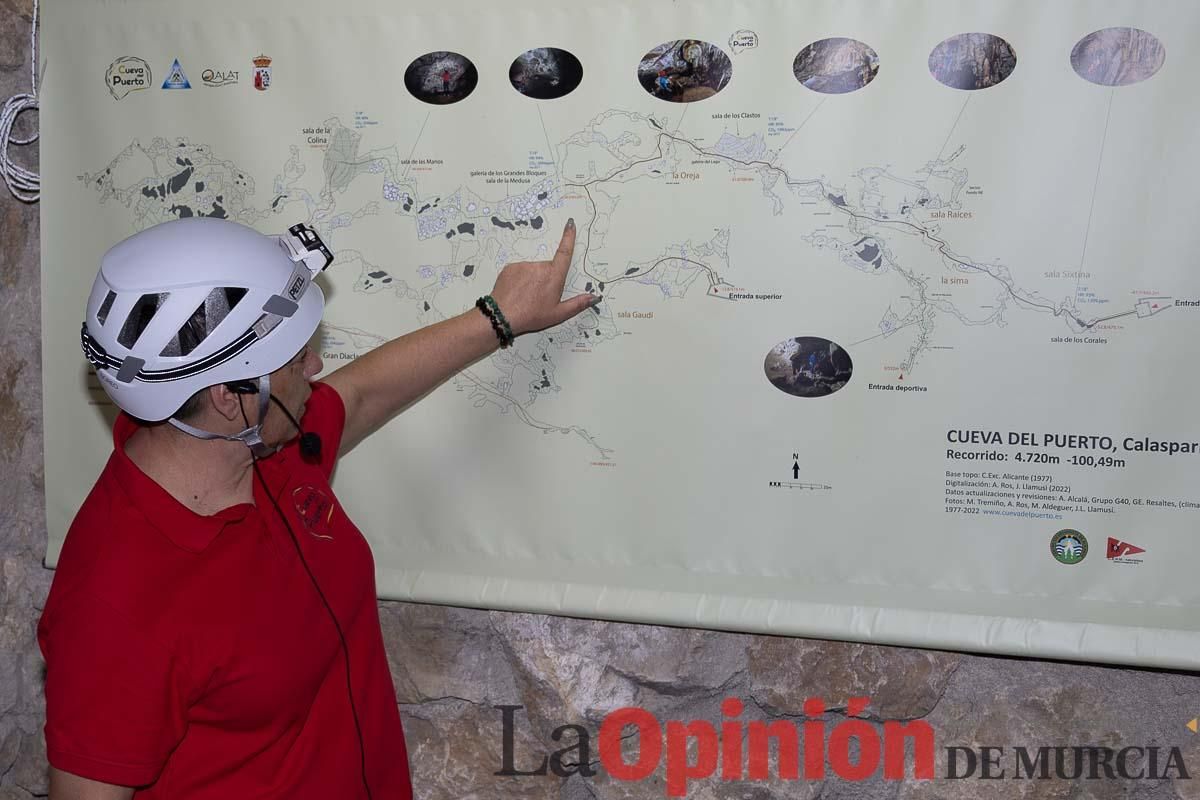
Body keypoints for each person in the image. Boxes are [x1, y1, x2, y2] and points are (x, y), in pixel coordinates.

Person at [38, 216, 597, 799]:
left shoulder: (265, 448)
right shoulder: (114, 601)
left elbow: (357, 396)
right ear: (232, 397)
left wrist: (498, 318)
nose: (315, 367)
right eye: (296, 356)